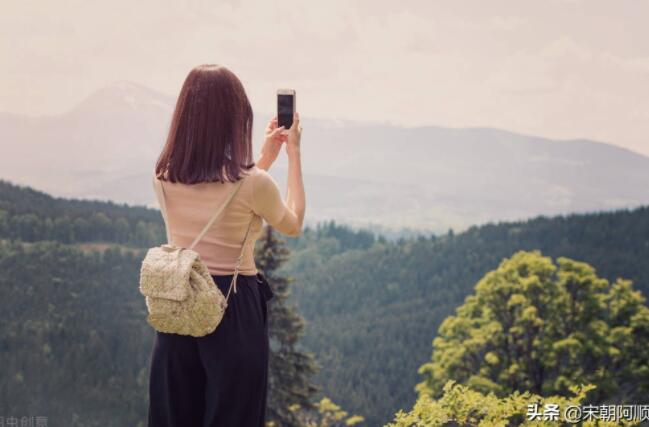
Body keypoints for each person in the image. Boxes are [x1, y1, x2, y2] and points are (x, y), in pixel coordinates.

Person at [146, 64, 305, 427]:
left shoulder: (163, 175)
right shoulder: (255, 183)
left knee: (175, 415)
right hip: (232, 306)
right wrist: (293, 154)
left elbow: (220, 199)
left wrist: (262, 160)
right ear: (236, 118)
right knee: (233, 415)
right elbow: (292, 223)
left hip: (178, 302)